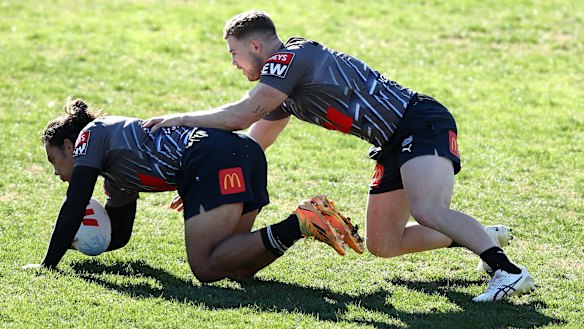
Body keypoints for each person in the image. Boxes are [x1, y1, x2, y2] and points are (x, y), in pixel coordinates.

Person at [141, 10, 535, 301]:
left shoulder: (288, 60)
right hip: (393, 141)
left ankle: (507, 271)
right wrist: (211, 180)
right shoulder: (282, 86)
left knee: (428, 208)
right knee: (384, 242)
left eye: (234, 53)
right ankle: (481, 237)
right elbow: (254, 138)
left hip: (419, 123)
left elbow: (244, 114)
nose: (233, 62)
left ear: (256, 46)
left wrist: (179, 118)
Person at [31, 98, 365, 283]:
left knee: (204, 268)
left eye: (54, 160)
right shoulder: (117, 175)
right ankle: (308, 219)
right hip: (243, 152)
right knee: (233, 266)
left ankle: (299, 222)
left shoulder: (91, 136)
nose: (57, 172)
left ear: (69, 144)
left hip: (213, 158)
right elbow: (118, 236)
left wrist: (49, 265)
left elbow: (74, 203)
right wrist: (81, 239)